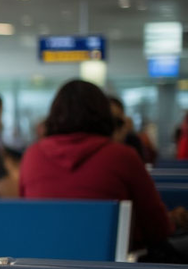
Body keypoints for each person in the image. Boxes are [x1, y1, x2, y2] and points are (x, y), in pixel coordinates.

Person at [20, 80, 186, 252]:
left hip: (44, 265)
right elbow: (157, 228)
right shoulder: (122, 156)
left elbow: (27, 218)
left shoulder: (32, 156)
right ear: (103, 114)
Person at [107, 96, 150, 164]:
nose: (113, 128)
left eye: (118, 122)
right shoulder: (96, 142)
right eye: (109, 122)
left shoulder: (133, 141)